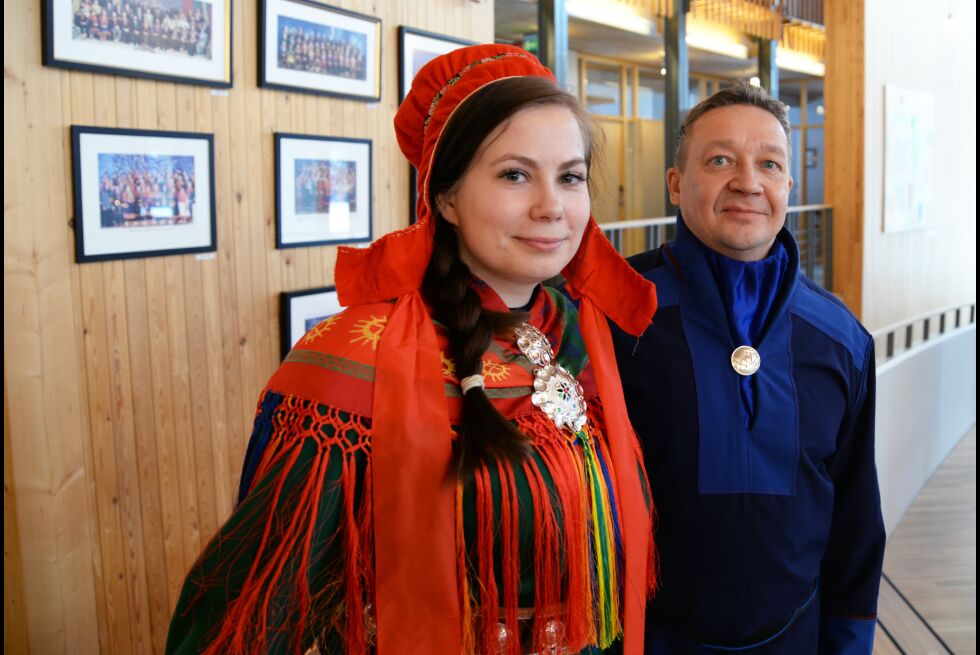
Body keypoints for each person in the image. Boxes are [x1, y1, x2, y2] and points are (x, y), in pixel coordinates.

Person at [166, 44, 658, 655]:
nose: (552, 207)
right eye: (514, 174)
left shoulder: (575, 334)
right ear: (445, 198)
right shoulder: (351, 360)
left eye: (570, 176)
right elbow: (248, 620)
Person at [610, 81, 885, 653]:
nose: (747, 181)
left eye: (769, 163)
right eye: (719, 160)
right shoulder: (614, 315)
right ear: (675, 183)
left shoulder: (840, 339)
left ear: (787, 184)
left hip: (795, 639)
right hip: (640, 639)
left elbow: (856, 520)